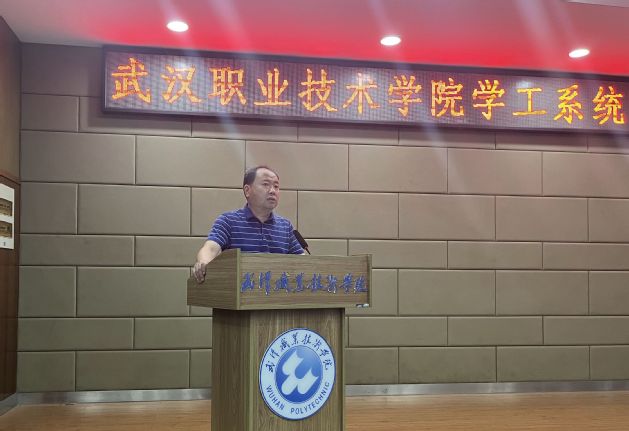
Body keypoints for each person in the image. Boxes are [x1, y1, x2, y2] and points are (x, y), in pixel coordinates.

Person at [193, 165, 304, 282]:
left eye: (276, 186)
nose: (272, 191)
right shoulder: (228, 221)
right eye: (266, 184)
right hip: (240, 289)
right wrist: (203, 262)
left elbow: (302, 261)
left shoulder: (285, 226)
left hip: (277, 290)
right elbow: (210, 249)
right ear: (247, 190)